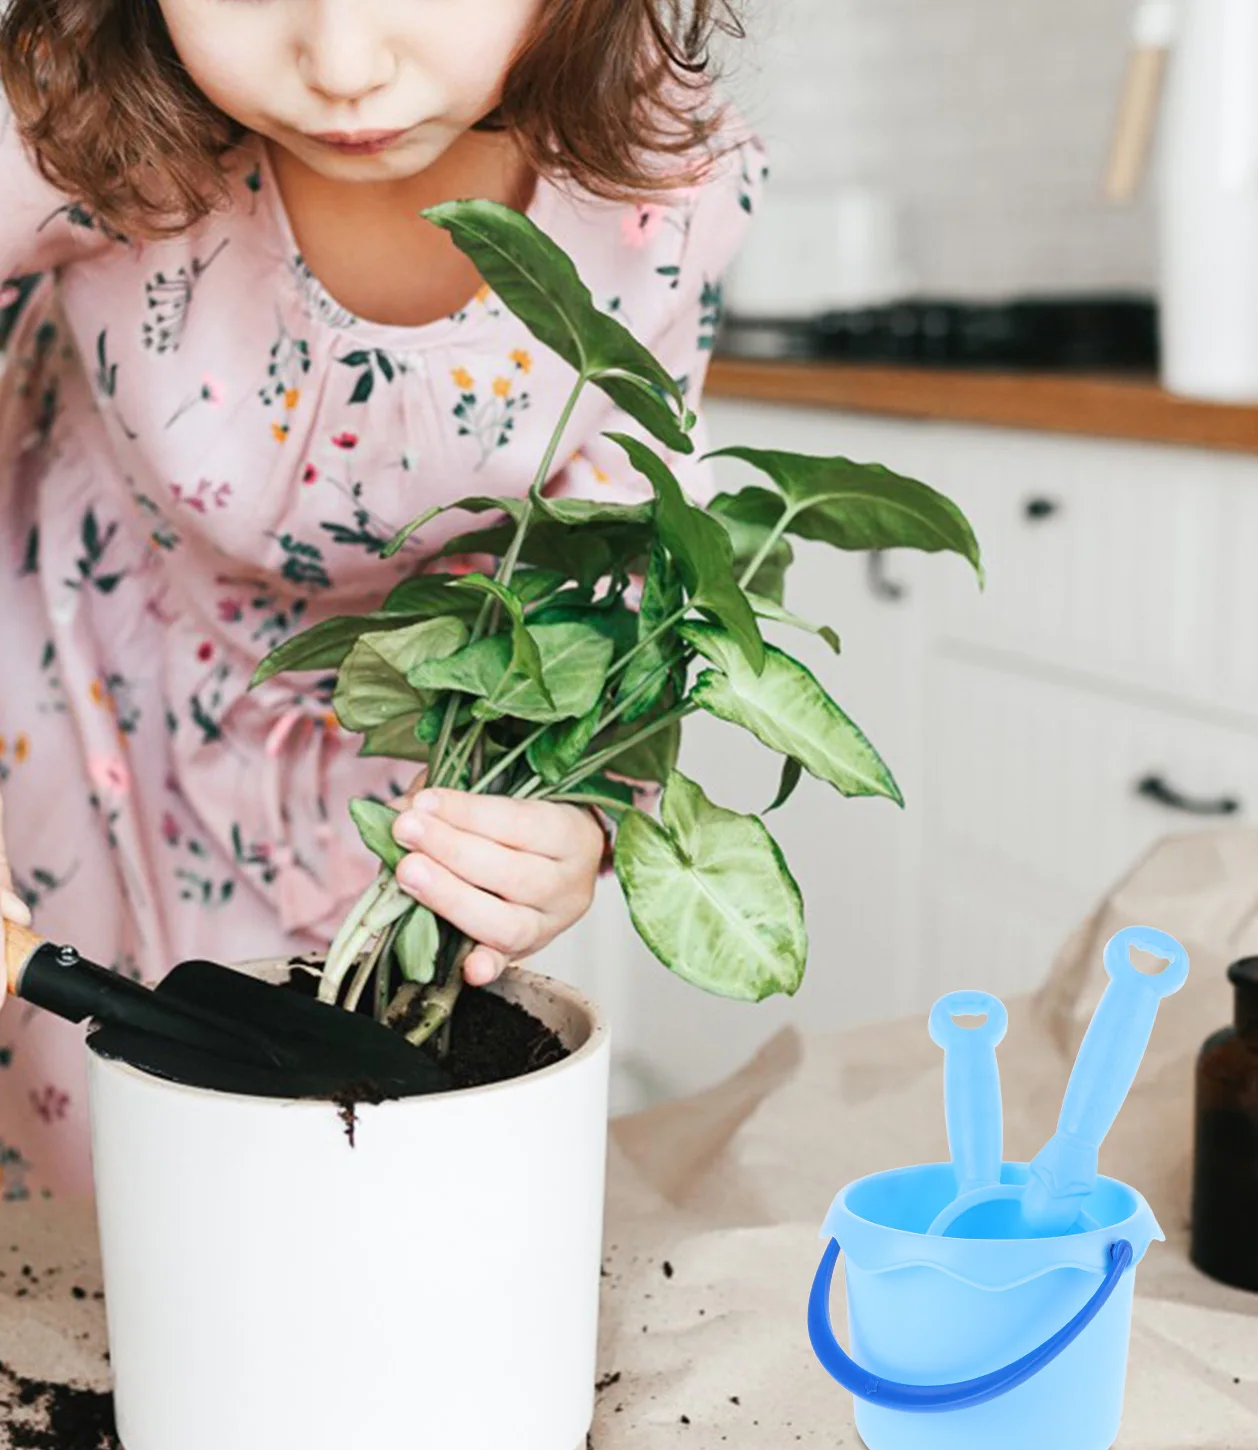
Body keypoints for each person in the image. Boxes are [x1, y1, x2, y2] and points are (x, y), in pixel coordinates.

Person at [0, 0, 764, 1199]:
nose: (343, 66)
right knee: (83, 1202)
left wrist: (578, 817)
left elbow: (621, 537)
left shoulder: (664, 173)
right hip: (68, 710)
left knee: (325, 1172)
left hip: (391, 773)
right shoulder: (77, 104)